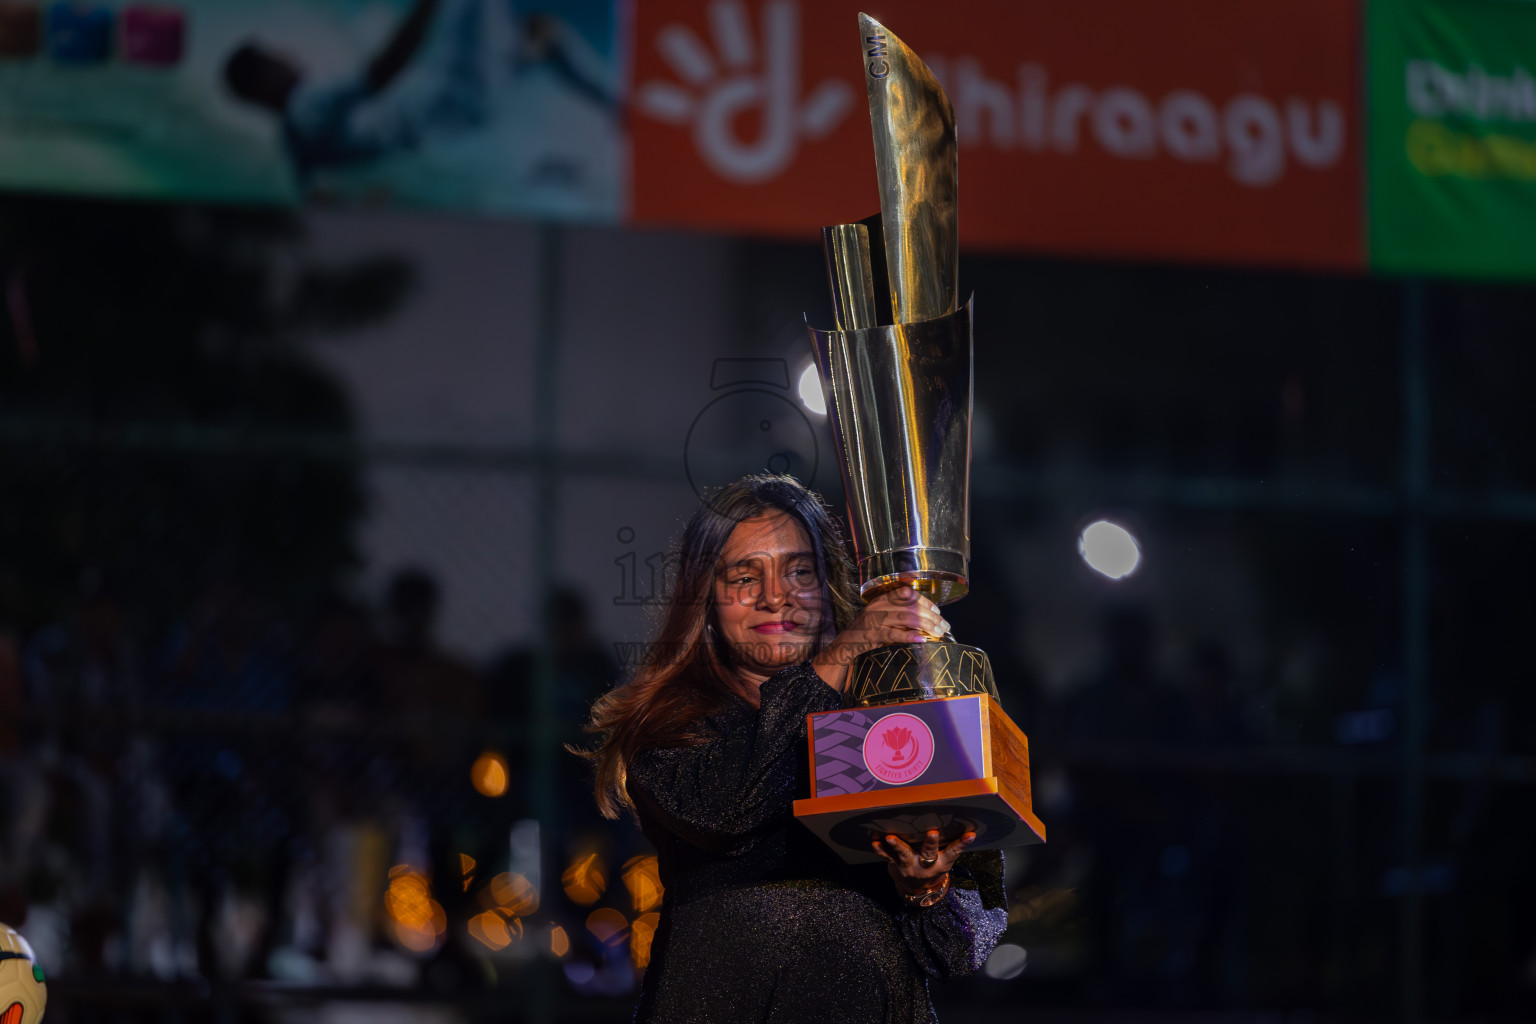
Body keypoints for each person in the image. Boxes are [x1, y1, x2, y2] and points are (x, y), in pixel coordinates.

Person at [577, 474, 1008, 1023]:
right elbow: (729, 809)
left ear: (830, 585)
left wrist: (928, 887)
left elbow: (963, 948)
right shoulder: (665, 722)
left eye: (800, 571)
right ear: (706, 597)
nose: (776, 595)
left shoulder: (894, 722)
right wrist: (843, 652)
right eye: (744, 576)